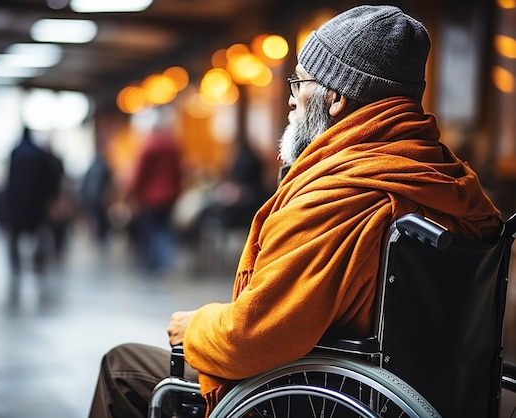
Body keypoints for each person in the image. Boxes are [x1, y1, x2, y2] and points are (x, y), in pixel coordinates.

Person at [87, 5, 503, 418]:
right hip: (416, 396)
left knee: (122, 367)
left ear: (336, 97)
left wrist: (194, 327)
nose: (290, 98)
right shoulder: (445, 181)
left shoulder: (340, 196)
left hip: (312, 395)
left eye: (299, 82)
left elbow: (251, 338)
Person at [0, 126, 62, 271]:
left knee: (15, 233)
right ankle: (38, 260)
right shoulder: (39, 153)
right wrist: (53, 195)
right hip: (37, 201)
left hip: (18, 201)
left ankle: (16, 264)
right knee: (39, 230)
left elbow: (10, 180)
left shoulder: (16, 153)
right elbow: (49, 178)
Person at [127, 124, 182, 274]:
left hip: (150, 197)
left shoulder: (149, 147)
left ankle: (156, 264)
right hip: (169, 195)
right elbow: (178, 172)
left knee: (152, 231)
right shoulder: (172, 147)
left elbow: (140, 174)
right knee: (164, 229)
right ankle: (166, 262)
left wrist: (133, 193)